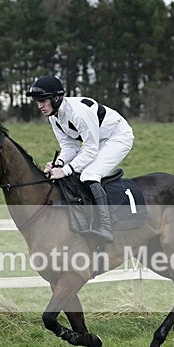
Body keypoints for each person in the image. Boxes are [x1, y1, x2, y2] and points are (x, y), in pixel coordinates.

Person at [26, 75, 134, 243]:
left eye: (43, 101)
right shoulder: (54, 117)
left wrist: (65, 170)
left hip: (118, 137)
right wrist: (59, 163)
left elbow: (90, 150)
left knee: (89, 175)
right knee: (74, 173)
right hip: (97, 141)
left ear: (56, 98)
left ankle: (105, 227)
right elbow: (70, 147)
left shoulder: (79, 113)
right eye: (38, 101)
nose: (40, 106)